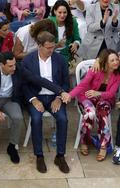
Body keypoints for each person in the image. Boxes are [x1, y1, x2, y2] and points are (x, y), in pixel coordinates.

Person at [0, 51, 68, 165]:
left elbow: (38, 79)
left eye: (14, 64)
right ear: (2, 65)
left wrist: (60, 91)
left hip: (10, 99)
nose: (14, 68)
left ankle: (12, 147)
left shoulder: (18, 68)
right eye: (10, 66)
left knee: (18, 117)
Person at [21, 31, 70, 174]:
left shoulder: (60, 60)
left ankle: (60, 156)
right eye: (48, 48)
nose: (51, 50)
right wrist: (33, 99)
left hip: (55, 97)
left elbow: (66, 83)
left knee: (63, 119)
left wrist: (58, 98)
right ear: (39, 46)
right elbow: (24, 84)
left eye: (53, 47)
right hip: (36, 97)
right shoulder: (28, 60)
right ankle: (39, 155)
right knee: (36, 119)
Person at [67, 49, 120, 161]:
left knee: (103, 112)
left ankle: (103, 145)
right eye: (112, 60)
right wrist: (70, 95)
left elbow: (111, 93)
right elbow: (82, 85)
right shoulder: (95, 70)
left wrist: (99, 93)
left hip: (106, 99)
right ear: (105, 62)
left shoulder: (119, 74)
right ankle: (84, 140)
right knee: (90, 113)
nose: (116, 62)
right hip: (87, 97)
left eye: (116, 59)